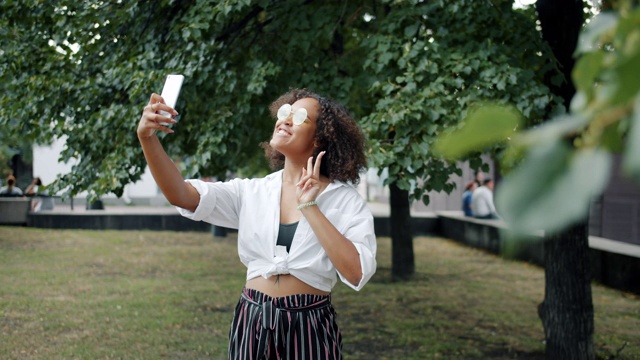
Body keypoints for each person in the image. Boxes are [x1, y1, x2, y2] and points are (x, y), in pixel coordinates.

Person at [137, 88, 377, 359]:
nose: (285, 119)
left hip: (309, 324)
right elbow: (180, 194)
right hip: (252, 319)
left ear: (321, 137)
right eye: (284, 112)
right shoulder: (252, 191)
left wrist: (310, 206)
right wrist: (147, 139)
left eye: (299, 116)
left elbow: (357, 272)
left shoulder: (344, 201)